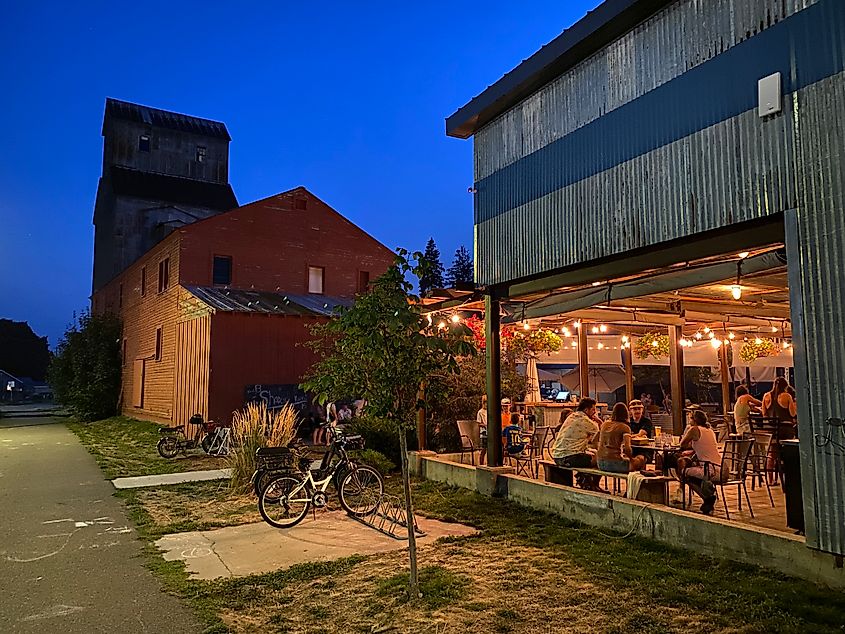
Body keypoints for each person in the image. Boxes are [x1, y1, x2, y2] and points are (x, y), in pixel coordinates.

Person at [677, 408, 722, 514]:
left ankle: (707, 498)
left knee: (683, 472)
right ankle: (707, 490)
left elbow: (682, 444)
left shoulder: (694, 429)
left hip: (709, 470)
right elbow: (702, 447)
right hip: (719, 466)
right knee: (690, 470)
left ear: (694, 420)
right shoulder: (709, 430)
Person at [551, 398, 601, 489]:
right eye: (593, 409)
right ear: (586, 410)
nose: (595, 412)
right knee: (600, 460)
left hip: (557, 456)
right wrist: (598, 420)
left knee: (592, 453)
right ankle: (592, 485)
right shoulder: (586, 421)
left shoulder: (572, 416)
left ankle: (584, 480)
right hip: (569, 458)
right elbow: (601, 433)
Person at [596, 403, 647, 473]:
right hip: (615, 464)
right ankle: (636, 482)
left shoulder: (604, 424)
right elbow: (627, 449)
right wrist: (631, 460)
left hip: (600, 463)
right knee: (641, 458)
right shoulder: (625, 427)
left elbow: (594, 440)